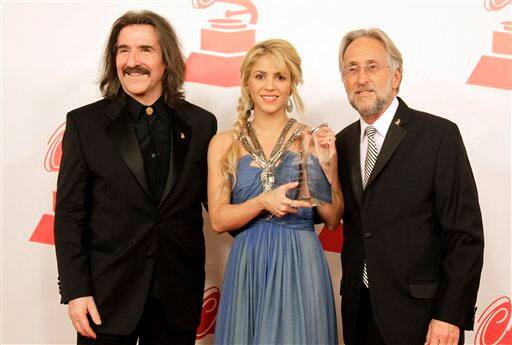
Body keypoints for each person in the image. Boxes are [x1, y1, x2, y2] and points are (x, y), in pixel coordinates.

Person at [54, 10, 217, 345]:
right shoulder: (86, 125)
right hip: (105, 299)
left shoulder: (201, 124)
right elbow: (70, 215)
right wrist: (75, 291)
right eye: (122, 50)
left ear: (166, 59)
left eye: (145, 50)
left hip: (177, 299)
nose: (132, 61)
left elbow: (218, 203)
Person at [335, 28, 484, 345]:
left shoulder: (438, 136)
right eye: (352, 69)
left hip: (424, 320)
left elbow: (465, 236)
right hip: (358, 314)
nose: (361, 79)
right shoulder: (340, 142)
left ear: (396, 76)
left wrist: (449, 315)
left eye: (372, 67)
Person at [207, 39, 344, 345]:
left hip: (300, 261)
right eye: (260, 76)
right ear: (246, 82)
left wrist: (328, 167)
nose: (270, 86)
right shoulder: (224, 143)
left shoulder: (308, 140)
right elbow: (217, 220)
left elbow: (332, 218)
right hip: (248, 264)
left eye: (280, 77)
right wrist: (262, 202)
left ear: (292, 83)